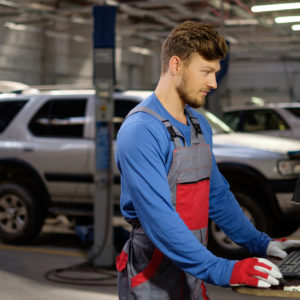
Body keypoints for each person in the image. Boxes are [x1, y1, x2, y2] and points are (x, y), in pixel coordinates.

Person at [115, 21, 300, 300]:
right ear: (176, 65)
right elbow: (159, 219)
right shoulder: (141, 130)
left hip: (192, 271)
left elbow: (217, 196)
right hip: (152, 277)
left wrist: (260, 243)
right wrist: (223, 269)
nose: (213, 83)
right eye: (206, 72)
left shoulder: (199, 125)